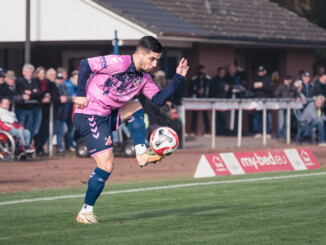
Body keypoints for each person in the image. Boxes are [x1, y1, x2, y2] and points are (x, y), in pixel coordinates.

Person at [73, 36, 188, 224]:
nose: (155, 63)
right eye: (152, 58)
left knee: (135, 106)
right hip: (89, 114)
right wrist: (80, 94)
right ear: (140, 53)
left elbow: (158, 100)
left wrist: (178, 78)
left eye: (157, 59)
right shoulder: (119, 62)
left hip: (105, 115)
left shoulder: (143, 78)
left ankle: (141, 152)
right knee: (106, 166)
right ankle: (85, 212)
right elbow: (86, 64)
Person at [15, 64, 42, 140]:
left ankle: (27, 146)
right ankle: (21, 148)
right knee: (21, 129)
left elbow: (39, 94)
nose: (29, 74)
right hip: (21, 109)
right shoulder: (19, 81)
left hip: (31, 108)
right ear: (23, 73)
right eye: (27, 72)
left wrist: (30, 92)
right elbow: (21, 93)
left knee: (30, 130)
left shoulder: (35, 81)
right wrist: (33, 92)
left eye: (31, 72)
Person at [251, 66, 273, 139]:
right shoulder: (255, 79)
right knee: (258, 117)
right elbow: (251, 87)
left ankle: (268, 132)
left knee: (266, 117)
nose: (260, 73)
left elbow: (270, 88)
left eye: (262, 71)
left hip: (266, 101)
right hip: (257, 100)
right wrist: (255, 86)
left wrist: (262, 86)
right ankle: (259, 132)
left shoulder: (268, 79)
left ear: (265, 71)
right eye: (259, 71)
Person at [189, 65, 210, 136]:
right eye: (200, 71)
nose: (201, 73)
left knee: (205, 116)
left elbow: (210, 89)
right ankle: (193, 131)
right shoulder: (193, 79)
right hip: (195, 100)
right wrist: (197, 92)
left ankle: (207, 131)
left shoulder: (208, 79)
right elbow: (190, 89)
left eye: (203, 71)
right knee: (194, 116)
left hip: (205, 100)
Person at [209, 67, 229, 135]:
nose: (223, 74)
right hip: (217, 100)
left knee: (222, 116)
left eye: (224, 73)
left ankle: (222, 131)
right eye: (221, 72)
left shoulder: (225, 80)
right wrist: (222, 88)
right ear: (218, 72)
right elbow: (212, 90)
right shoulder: (214, 80)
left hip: (224, 100)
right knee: (220, 115)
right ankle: (220, 131)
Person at [274, 75, 295, 142]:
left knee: (287, 123)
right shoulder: (281, 87)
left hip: (289, 107)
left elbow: (296, 95)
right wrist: (281, 101)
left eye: (287, 80)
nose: (286, 81)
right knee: (281, 123)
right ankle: (280, 137)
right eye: (285, 80)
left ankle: (287, 137)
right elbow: (276, 96)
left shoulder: (293, 87)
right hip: (282, 107)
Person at [64, 70, 78, 151]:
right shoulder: (68, 85)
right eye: (76, 78)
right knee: (66, 130)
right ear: (71, 78)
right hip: (65, 111)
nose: (78, 80)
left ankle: (69, 145)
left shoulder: (77, 86)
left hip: (72, 112)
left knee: (71, 129)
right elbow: (75, 97)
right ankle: (67, 146)